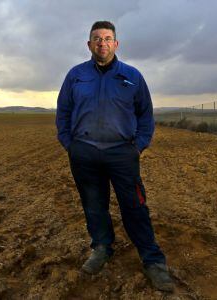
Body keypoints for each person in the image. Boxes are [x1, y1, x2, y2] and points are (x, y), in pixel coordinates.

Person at [56, 21, 174, 292]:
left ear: (116, 44)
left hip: (122, 153)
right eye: (96, 38)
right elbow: (63, 112)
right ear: (89, 45)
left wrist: (138, 146)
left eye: (107, 38)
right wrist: (70, 144)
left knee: (134, 206)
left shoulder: (132, 76)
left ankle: (152, 260)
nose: (102, 43)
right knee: (94, 205)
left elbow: (145, 115)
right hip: (84, 152)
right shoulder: (75, 75)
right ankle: (101, 248)